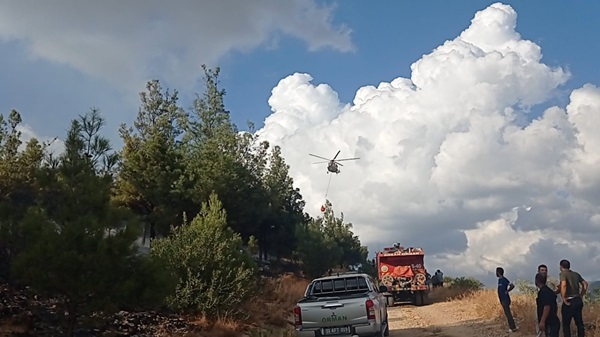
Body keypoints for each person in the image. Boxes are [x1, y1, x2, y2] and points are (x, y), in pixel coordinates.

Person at [559, 259, 588, 337]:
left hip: (569, 300)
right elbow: (585, 284)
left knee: (566, 324)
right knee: (579, 322)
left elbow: (564, 285)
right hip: (577, 300)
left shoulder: (563, 274)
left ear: (561, 266)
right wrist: (581, 294)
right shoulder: (576, 274)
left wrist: (563, 297)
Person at [535, 272, 560, 337]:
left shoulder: (544, 292)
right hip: (553, 321)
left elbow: (547, 307)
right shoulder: (549, 291)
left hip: (550, 323)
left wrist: (542, 321)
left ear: (536, 280)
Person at [496, 267, 517, 332]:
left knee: (508, 314)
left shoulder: (504, 280)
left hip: (505, 299)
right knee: (507, 313)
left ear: (498, 272)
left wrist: (507, 291)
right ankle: (512, 326)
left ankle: (513, 327)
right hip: (502, 299)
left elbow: (512, 285)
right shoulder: (499, 280)